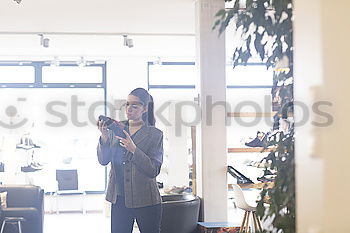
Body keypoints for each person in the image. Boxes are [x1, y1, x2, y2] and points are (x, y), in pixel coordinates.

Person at [97, 88, 163, 233]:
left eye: (135, 106)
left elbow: (153, 170)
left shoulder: (155, 134)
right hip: (119, 198)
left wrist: (134, 149)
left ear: (145, 108)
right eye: (127, 104)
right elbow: (103, 160)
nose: (129, 109)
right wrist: (104, 138)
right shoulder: (116, 128)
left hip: (146, 200)